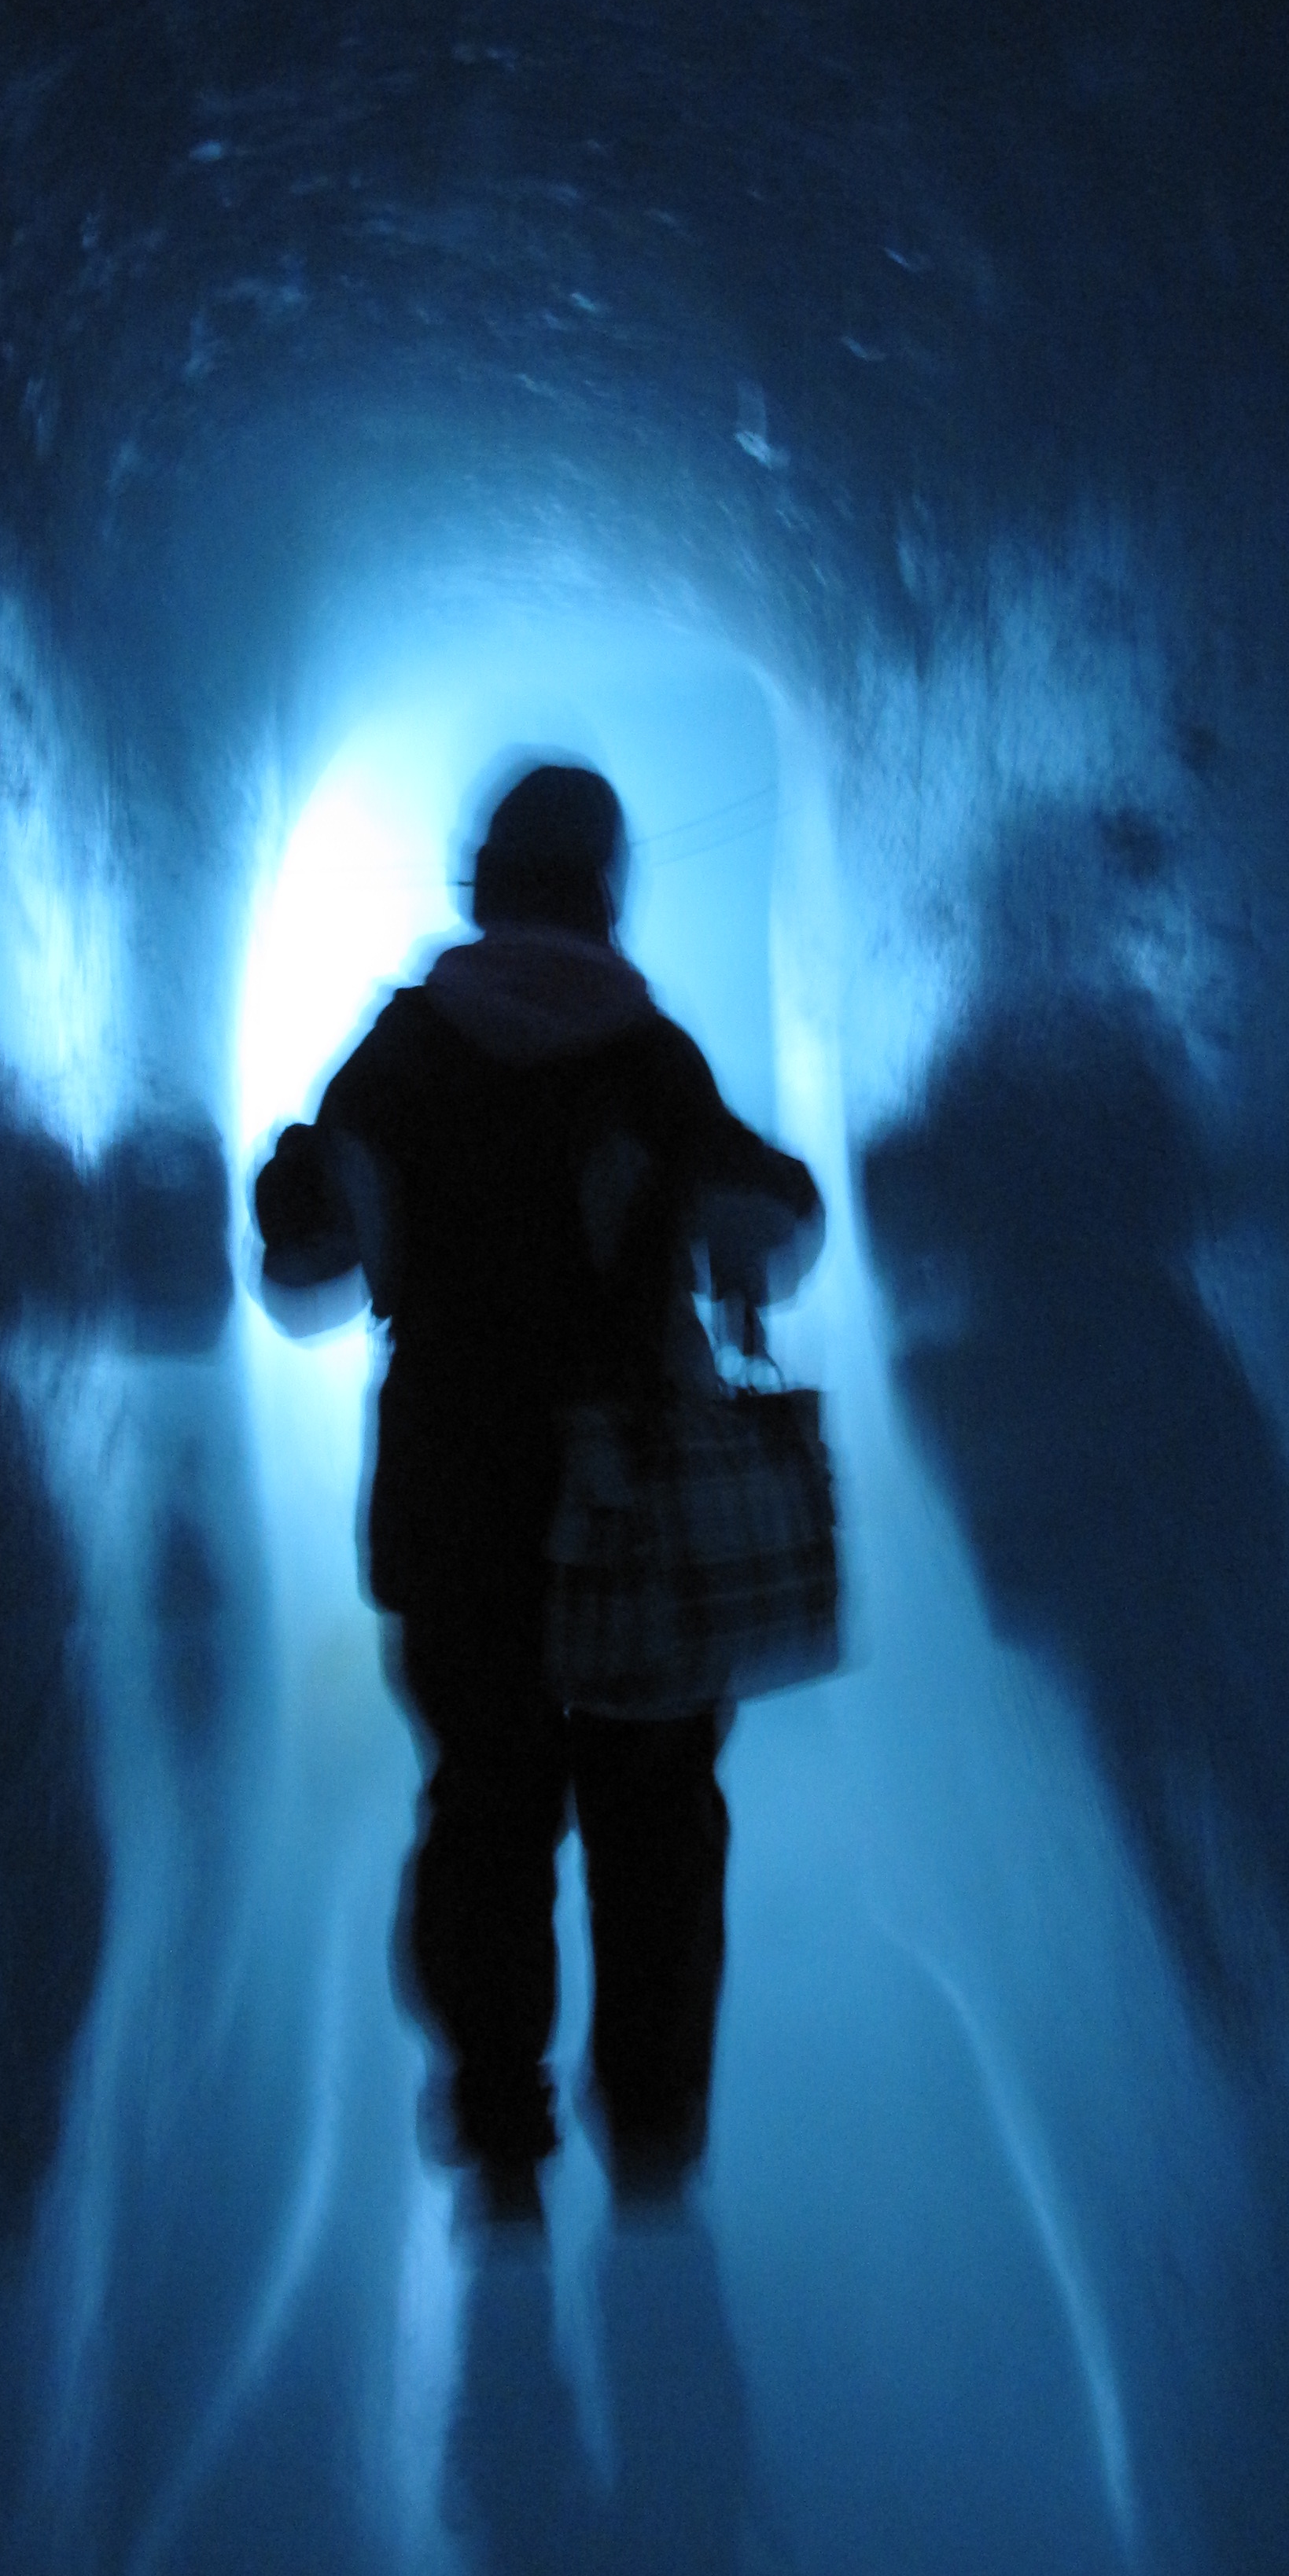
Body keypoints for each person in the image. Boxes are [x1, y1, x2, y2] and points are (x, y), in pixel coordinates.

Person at [254, 760, 823, 2218]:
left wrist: (309, 1186)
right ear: (606, 887)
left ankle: (502, 2137)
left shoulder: (401, 1052)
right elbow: (769, 1217)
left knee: (486, 1816)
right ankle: (655, 2132)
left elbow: (306, 1268)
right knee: (658, 1825)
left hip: (456, 1504)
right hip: (640, 1505)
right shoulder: (654, 1054)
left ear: (485, 879)